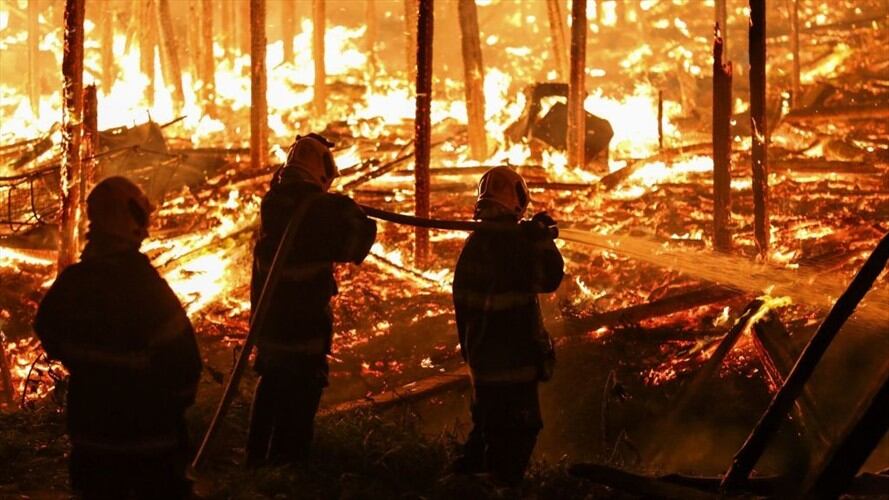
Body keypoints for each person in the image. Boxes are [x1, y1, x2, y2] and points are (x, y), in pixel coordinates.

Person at [33, 176, 202, 499]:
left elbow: (47, 328)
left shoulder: (74, 282)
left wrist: (83, 363)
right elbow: (184, 362)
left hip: (91, 435)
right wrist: (173, 407)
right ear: (132, 220)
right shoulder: (145, 287)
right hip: (148, 438)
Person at [246, 133, 376, 465]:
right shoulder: (320, 209)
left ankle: (256, 465)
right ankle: (286, 471)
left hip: (269, 325)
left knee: (270, 386)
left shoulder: (274, 202)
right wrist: (346, 208)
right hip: (303, 329)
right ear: (322, 169)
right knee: (299, 398)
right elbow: (355, 244)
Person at [451, 166, 564, 486]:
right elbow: (549, 278)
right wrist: (542, 241)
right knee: (519, 433)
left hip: (482, 361)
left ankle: (461, 481)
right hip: (513, 363)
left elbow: (462, 309)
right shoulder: (514, 246)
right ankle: (496, 487)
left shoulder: (474, 245)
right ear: (517, 200)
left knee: (487, 426)